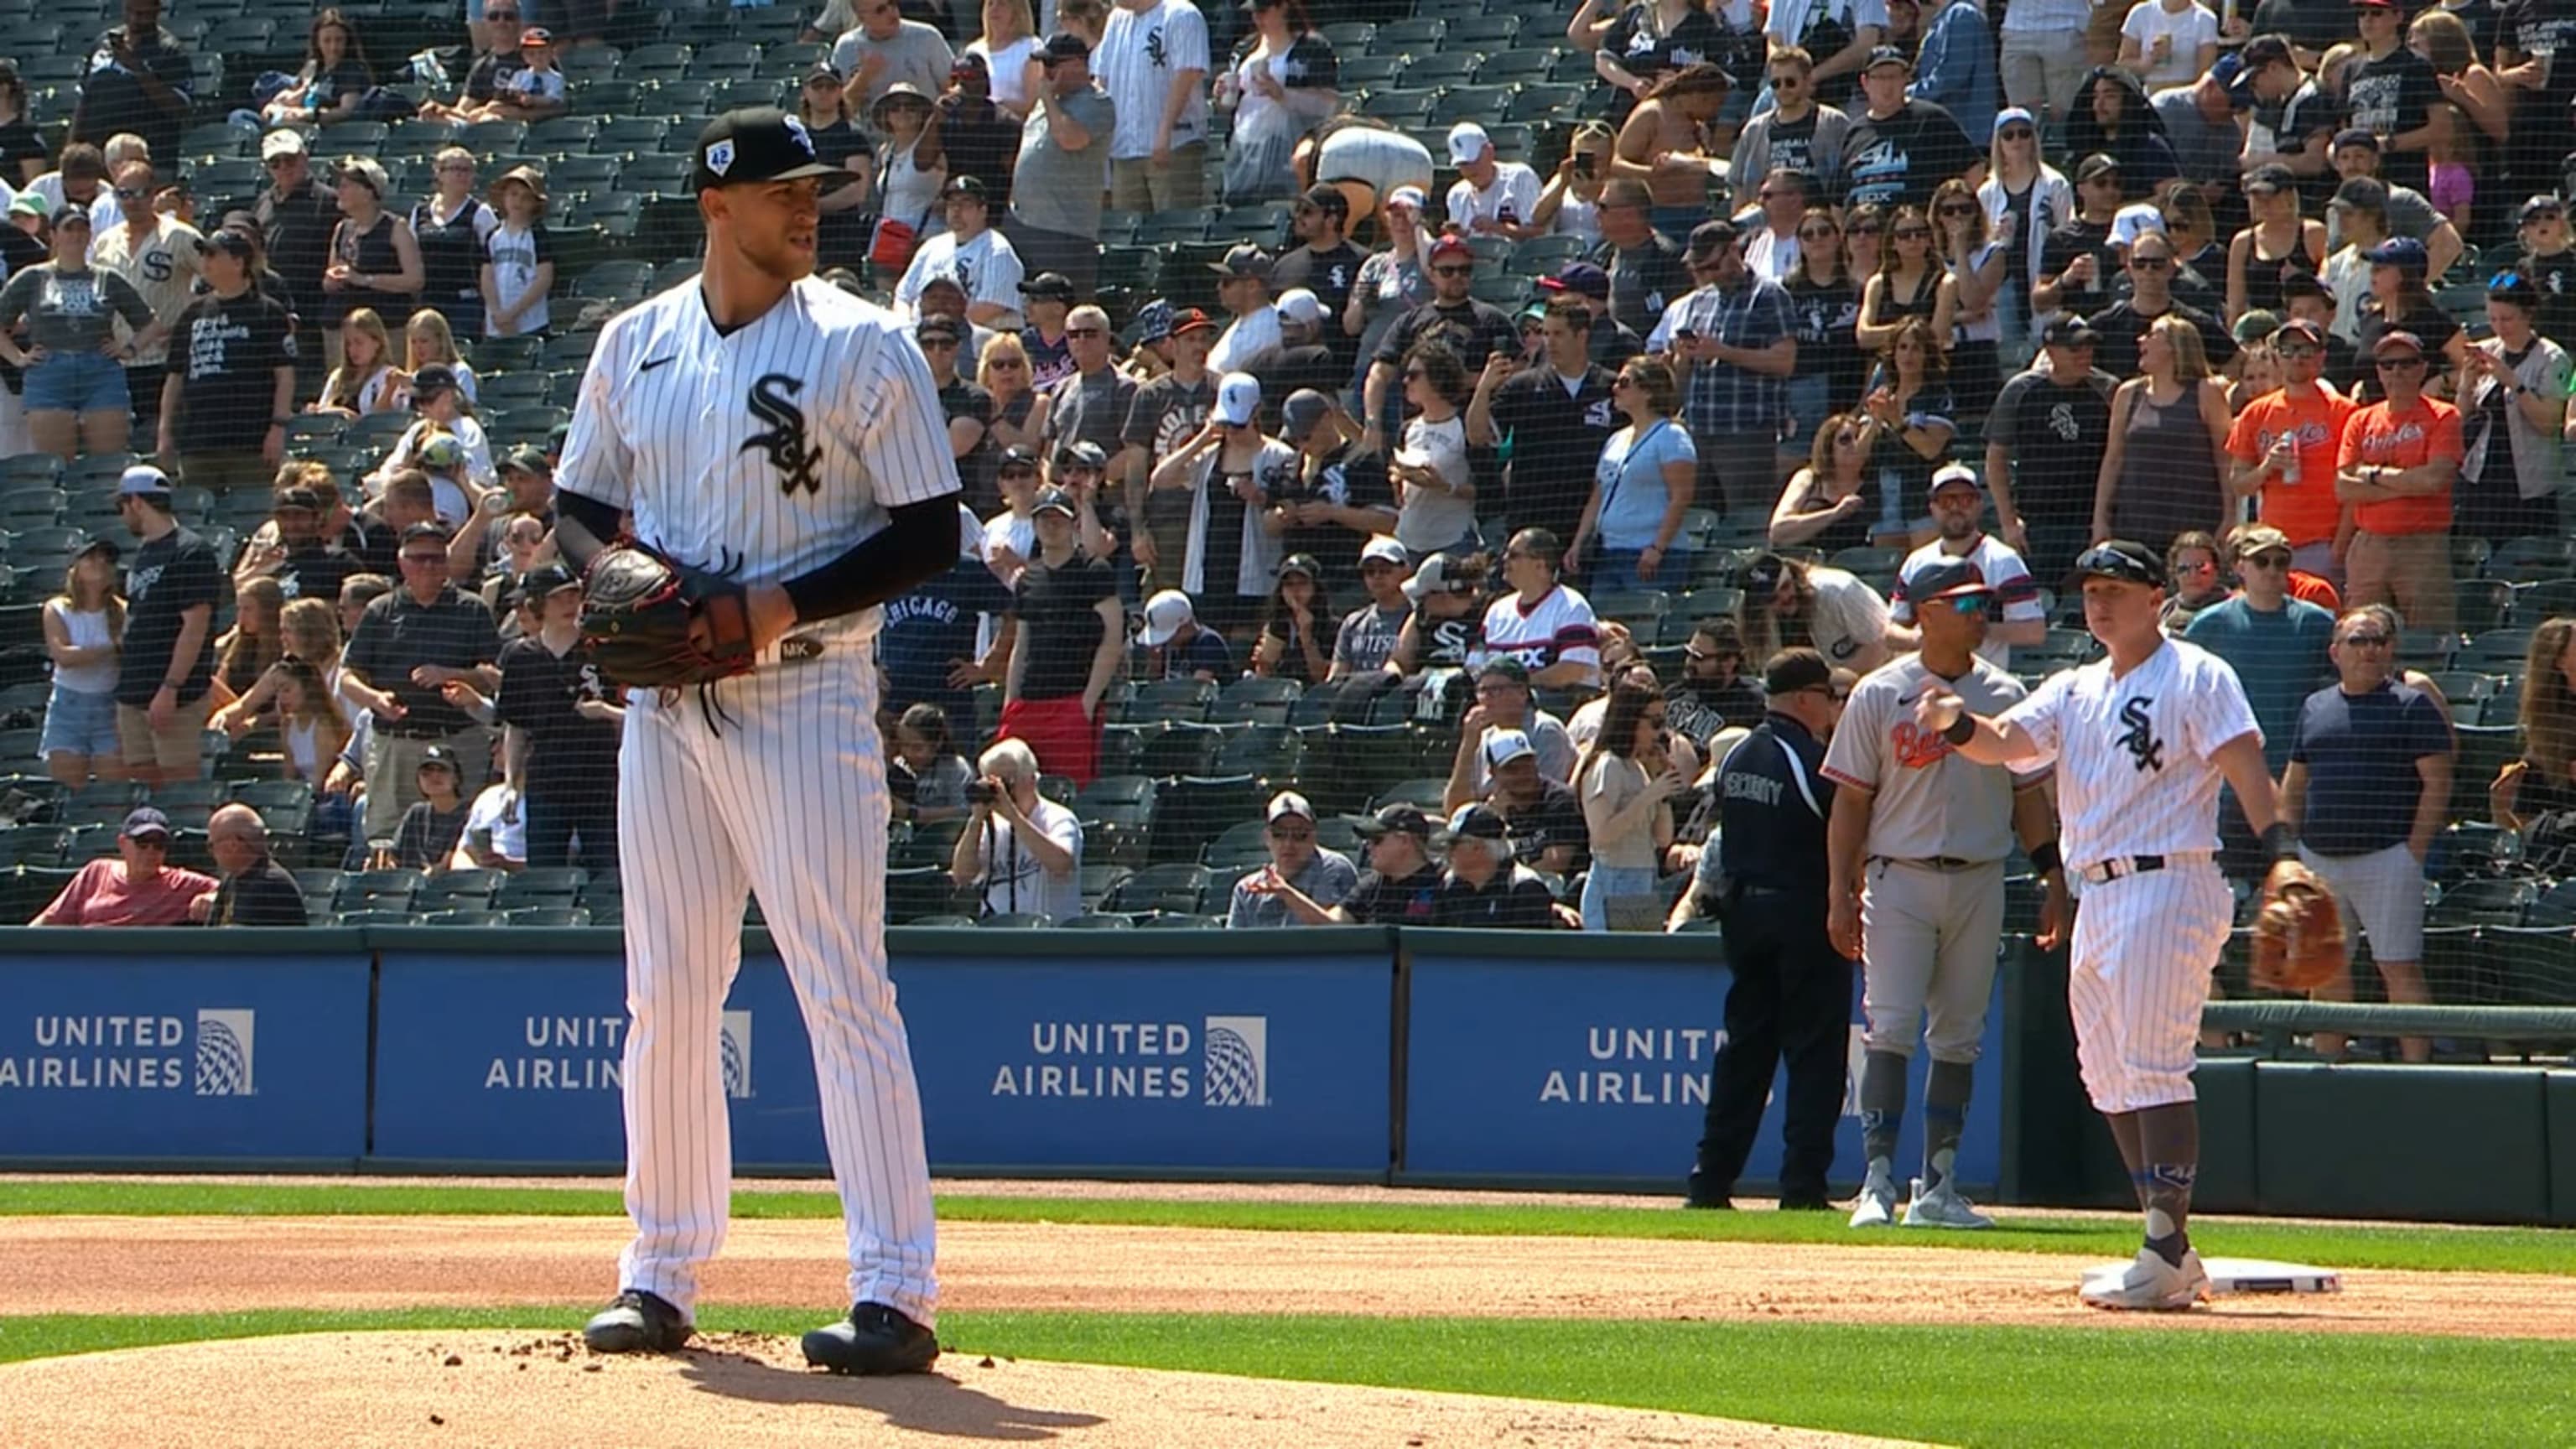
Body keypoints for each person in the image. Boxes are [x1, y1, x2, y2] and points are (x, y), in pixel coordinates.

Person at [556, 110, 961, 1375]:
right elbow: (575, 505)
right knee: (669, 994)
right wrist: (629, 581)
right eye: (785, 192)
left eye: (818, 192)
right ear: (714, 203)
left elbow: (930, 533)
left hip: (806, 693)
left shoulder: (864, 343)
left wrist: (777, 603)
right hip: (669, 711)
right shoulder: (637, 343)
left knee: (843, 986)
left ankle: (894, 1290)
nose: (810, 209)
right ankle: (658, 1272)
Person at [1919, 540, 2288, 1309]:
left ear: (2157, 596)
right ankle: (2170, 1248)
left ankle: (2161, 1243)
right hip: (2099, 893)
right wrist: (1957, 724)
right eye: (2090, 589)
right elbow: (2006, 745)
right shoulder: (2074, 687)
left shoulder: (2196, 673)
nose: (2100, 601)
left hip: (2169, 879)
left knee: (2153, 1065)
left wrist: (2282, 857)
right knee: (2110, 1075)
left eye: (2116, 587)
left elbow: (2246, 766)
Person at [1824, 558, 2062, 1230]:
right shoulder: (1880, 691)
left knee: (1959, 1037)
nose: (1978, 613)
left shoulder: (2006, 691)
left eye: (1982, 602)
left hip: (1981, 876)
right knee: (1891, 1028)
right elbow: (1850, 801)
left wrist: (2053, 877)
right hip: (1898, 874)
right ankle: (1875, 1183)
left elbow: (2029, 797)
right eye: (1962, 603)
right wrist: (1840, 893)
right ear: (1924, 612)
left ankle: (1940, 1184)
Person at [1685, 647, 1849, 1210]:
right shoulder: (1806, 757)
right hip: (1801, 914)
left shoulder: (1738, 755)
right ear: (1806, 697)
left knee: (1745, 1050)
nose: (1832, 707)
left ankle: (1710, 1179)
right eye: (1828, 696)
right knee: (1814, 1053)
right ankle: (1803, 1187)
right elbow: (1839, 822)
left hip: (1743, 916)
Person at [2280, 604, 2448, 1065]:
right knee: (2327, 970)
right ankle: (2329, 1070)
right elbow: (2295, 782)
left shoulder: (2412, 705)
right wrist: (2287, 851)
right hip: (2320, 861)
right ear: (2336, 652)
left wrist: (2412, 852)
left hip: (2387, 859)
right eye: (2359, 641)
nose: (2371, 649)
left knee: (2398, 967)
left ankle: (2419, 1074)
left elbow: (2438, 780)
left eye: (2379, 641)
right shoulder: (2315, 707)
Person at [342, 521, 501, 840]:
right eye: (418, 558)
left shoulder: (471, 609)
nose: (428, 566)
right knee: (387, 837)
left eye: (436, 558)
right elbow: (348, 676)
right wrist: (374, 699)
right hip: (395, 743)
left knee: (463, 837)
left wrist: (450, 674)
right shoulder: (380, 610)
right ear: (402, 562)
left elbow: (493, 675)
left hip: (458, 741)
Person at [0, 207, 162, 460]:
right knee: (57, 466)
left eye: (82, 228)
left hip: (101, 372)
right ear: (53, 234)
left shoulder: (108, 277)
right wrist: (18, 358)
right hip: (49, 375)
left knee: (108, 465)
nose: (76, 235)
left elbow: (151, 323)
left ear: (90, 234)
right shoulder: (32, 277)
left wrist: (129, 349)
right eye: (68, 228)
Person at [1666, 219, 1795, 514]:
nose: (1708, 275)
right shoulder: (1700, 301)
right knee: (1697, 519)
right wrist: (1682, 358)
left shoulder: (1768, 296)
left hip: (1745, 433)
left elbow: (1784, 361)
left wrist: (1724, 352)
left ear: (1734, 251)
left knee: (1745, 519)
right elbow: (1684, 373)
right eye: (1701, 270)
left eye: (1712, 267)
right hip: (1698, 430)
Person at [999, 485, 1124, 783]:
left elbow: (1112, 639)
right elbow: (1022, 643)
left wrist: (1087, 702)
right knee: (1009, 792)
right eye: (1044, 519)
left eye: (1059, 519)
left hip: (1073, 703)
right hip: (1027, 705)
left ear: (1073, 523)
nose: (1051, 526)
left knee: (1070, 790)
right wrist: (1010, 701)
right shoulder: (1028, 578)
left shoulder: (1095, 571)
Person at [2337, 330, 2460, 635]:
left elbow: (2434, 480)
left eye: (2406, 363)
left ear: (2422, 368)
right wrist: (2407, 482)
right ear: (2378, 370)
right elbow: (2343, 487)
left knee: (2429, 639)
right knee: (2362, 635)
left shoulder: (2444, 416)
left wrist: (2374, 475)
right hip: (2369, 543)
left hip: (2422, 545)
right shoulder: (2360, 419)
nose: (2396, 372)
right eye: (2387, 364)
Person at [158, 228, 298, 495]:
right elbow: (174, 377)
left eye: (213, 254)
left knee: (250, 514)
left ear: (238, 262)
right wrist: (165, 433)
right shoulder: (192, 314)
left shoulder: (268, 312)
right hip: (198, 442)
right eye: (203, 254)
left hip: (249, 442)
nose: (205, 261)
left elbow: (285, 374)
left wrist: (278, 428)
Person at [105, 465, 218, 787]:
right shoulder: (144, 553)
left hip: (173, 695)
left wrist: (170, 687)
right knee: (143, 785)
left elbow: (195, 626)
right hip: (135, 691)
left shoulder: (190, 551)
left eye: (122, 506)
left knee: (179, 785)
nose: (122, 515)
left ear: (137, 502)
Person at [2221, 317, 2355, 584]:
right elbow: (2239, 484)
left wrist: (2339, 548)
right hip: (2269, 546)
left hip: (2323, 543)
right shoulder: (2256, 413)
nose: (2297, 358)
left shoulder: (2344, 411)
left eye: (2306, 350)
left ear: (2321, 357)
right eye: (2288, 350)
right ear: (2278, 358)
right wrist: (2266, 467)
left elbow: (2354, 490)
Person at [2093, 314, 2232, 556]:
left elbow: (2225, 457)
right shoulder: (2128, 394)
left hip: (2195, 525)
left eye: (2151, 335)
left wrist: (2230, 516)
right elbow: (2113, 459)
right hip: (2135, 523)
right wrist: (2100, 519)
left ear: (2174, 346)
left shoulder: (2206, 392)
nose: (2140, 340)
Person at [2452, 273, 2571, 548]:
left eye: (2507, 319)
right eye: (2493, 319)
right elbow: (2461, 418)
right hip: (2481, 477)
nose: (2499, 327)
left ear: (2527, 314)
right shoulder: (2486, 350)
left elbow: (2549, 425)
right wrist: (2466, 384)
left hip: (2527, 485)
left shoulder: (2552, 358)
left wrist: (2513, 382)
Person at [1890, 464, 2046, 668]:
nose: (1955, 508)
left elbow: (2034, 631)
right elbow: (1891, 631)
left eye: (1965, 500)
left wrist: (1970, 628)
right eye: (1946, 501)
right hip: (1925, 680)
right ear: (1932, 508)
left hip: (1985, 682)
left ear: (1979, 505)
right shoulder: (1916, 562)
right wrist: (1927, 638)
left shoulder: (2003, 560)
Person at [1571, 356, 1696, 594]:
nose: (1615, 388)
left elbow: (1682, 496)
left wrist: (1658, 548)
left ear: (1648, 391)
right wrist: (1578, 542)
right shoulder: (1616, 439)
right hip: (1608, 552)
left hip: (1648, 554)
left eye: (1624, 383)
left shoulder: (1672, 436)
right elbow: (1598, 495)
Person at [1573, 675, 1685, 931]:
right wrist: (1648, 796)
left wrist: (1662, 787)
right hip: (1614, 878)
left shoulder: (1637, 767)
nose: (1660, 732)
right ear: (1631, 719)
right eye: (1655, 723)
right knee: (1614, 964)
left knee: (1641, 966)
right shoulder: (1608, 765)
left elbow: (1663, 839)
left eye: (1663, 723)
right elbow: (1601, 835)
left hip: (1644, 877)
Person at [1006, 34, 1114, 299]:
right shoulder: (1047, 102)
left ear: (1078, 63)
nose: (1046, 71)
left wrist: (1047, 97)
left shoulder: (1097, 102)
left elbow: (1070, 138)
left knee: (1062, 308)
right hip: (1023, 224)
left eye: (1053, 63)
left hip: (1065, 232)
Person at [949, 735, 1084, 920]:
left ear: (1031, 780)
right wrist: (976, 821)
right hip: (999, 934)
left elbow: (1061, 866)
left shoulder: (1058, 818)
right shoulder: (990, 825)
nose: (1001, 792)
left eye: (1006, 783)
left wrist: (1014, 817)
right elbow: (962, 877)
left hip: (1050, 935)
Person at [1095, 0, 1212, 213]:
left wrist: (1164, 132)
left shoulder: (1182, 14)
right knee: (1128, 238)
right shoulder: (1116, 19)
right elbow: (1102, 79)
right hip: (1125, 149)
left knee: (1173, 232)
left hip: (1174, 147)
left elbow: (1188, 73)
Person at [1218, 0, 1337, 205]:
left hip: (1289, 148)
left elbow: (1328, 105)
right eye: (1254, 13)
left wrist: (1282, 94)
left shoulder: (1312, 47)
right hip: (1245, 148)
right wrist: (1221, 96)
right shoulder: (1244, 49)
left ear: (1283, 7)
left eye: (1263, 11)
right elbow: (1231, 107)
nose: (1257, 19)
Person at [1840, 47, 1980, 211]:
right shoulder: (1854, 132)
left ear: (1907, 79)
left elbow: (1974, 168)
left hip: (1915, 234)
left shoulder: (1931, 119)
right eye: (1880, 77)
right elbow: (1838, 200)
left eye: (1894, 77)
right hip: (1866, 233)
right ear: (1865, 82)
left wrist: (1954, 214)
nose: (1887, 85)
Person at [317, 158, 423, 371]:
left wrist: (365, 280)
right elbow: (329, 279)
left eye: (346, 186)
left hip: (386, 329)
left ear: (368, 192)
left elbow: (415, 280)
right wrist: (332, 280)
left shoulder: (395, 228)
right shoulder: (342, 228)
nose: (340, 191)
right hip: (342, 330)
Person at [33, 807, 215, 926]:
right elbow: (49, 921)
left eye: (159, 845)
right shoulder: (96, 871)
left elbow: (230, 889)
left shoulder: (180, 883)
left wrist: (213, 897)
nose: (151, 851)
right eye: (142, 843)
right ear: (123, 843)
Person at [40, 540, 127, 787]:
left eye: (106, 560)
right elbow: (64, 657)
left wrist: (95, 653)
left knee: (110, 795)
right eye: (91, 558)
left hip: (110, 708)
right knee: (68, 791)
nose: (99, 564)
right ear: (75, 568)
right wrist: (113, 648)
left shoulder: (123, 612)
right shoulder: (57, 609)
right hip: (68, 707)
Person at [67, 0, 192, 166]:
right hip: (98, 154)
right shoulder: (103, 43)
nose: (134, 19)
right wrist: (71, 147)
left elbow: (180, 108)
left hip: (148, 155)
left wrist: (137, 68)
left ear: (157, 11)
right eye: (130, 11)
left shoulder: (170, 50)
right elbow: (84, 99)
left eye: (142, 14)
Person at [1742, 549, 1898, 673]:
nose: (1785, 598)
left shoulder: (1838, 590)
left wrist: (1829, 685)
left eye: (1786, 587)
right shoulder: (1759, 622)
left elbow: (1880, 644)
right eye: (1772, 599)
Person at [1225, 789, 1360, 926]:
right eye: (1279, 834)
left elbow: (1334, 934)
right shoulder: (1246, 890)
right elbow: (1232, 945)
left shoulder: (1333, 869)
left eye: (1299, 834)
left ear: (1314, 836)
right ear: (1266, 838)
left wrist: (1286, 893)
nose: (1288, 844)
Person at [1431, 802, 1561, 927]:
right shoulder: (1448, 885)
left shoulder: (1524, 888)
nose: (1448, 851)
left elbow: (1526, 946)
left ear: (1478, 848)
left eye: (1453, 844)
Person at [1327, 803, 1445, 923]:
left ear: (1405, 841)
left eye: (1376, 840)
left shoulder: (1443, 883)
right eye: (1367, 840)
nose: (1368, 846)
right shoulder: (1370, 885)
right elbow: (1330, 926)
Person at [834, 0, 958, 109]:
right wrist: (864, 77)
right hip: (866, 134)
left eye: (892, 3)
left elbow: (952, 88)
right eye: (880, 10)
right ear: (861, 17)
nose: (891, 12)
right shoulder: (847, 46)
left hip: (922, 131)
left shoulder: (927, 37)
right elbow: (839, 109)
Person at [199, 803, 306, 927]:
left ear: (233, 845)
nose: (211, 852)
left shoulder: (270, 885)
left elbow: (241, 941)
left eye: (212, 845)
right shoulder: (231, 880)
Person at [480, 165, 553, 341]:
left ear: (535, 203)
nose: (518, 201)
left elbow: (544, 279)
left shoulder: (538, 234)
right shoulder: (493, 235)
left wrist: (512, 313)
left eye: (526, 197)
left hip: (531, 322)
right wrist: (497, 313)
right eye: (513, 194)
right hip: (496, 323)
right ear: (503, 197)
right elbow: (487, 278)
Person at [1329, 535, 1411, 680]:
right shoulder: (1353, 622)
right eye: (1370, 571)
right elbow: (1336, 677)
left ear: (1406, 571)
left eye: (1385, 569)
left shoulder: (1418, 620)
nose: (1377, 576)